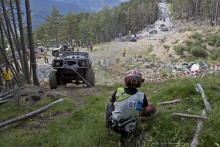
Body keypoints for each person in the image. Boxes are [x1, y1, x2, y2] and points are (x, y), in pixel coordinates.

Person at [105, 70, 153, 137]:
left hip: (114, 125)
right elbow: (143, 113)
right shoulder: (142, 96)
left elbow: (111, 102)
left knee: (110, 104)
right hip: (130, 128)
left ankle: (107, 127)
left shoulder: (119, 90)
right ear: (139, 81)